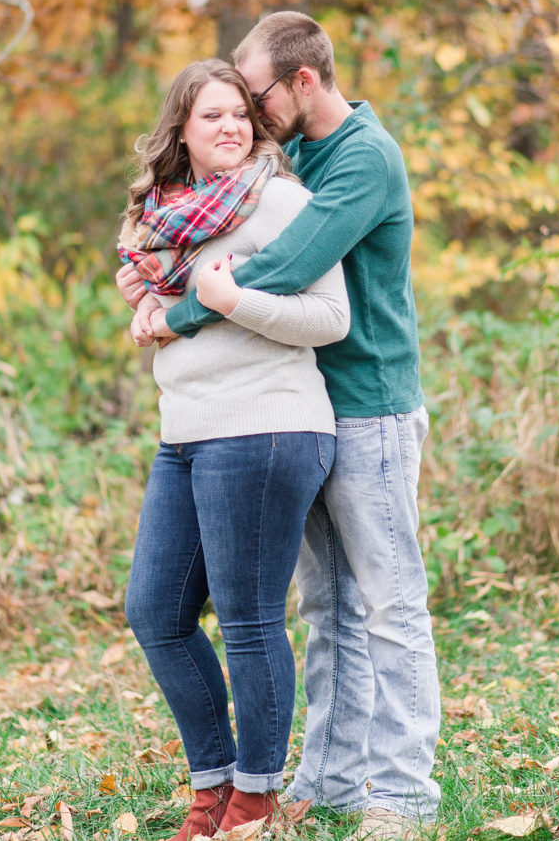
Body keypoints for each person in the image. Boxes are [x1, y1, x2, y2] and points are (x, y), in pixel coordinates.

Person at [121, 14, 441, 841]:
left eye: (254, 94)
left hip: (367, 399)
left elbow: (290, 267)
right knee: (327, 607)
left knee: (389, 604)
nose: (248, 118)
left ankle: (402, 795)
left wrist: (178, 310)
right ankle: (331, 780)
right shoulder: (300, 153)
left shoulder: (361, 157)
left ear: (300, 82)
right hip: (311, 404)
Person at [119, 58, 350, 841]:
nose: (229, 127)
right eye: (211, 115)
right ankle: (212, 782)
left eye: (240, 115)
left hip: (265, 425)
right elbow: (171, 303)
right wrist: (155, 304)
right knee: (155, 611)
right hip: (185, 430)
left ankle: (254, 798)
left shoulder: (280, 202)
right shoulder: (164, 217)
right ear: (180, 129)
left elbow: (329, 318)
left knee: (248, 620)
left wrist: (231, 300)